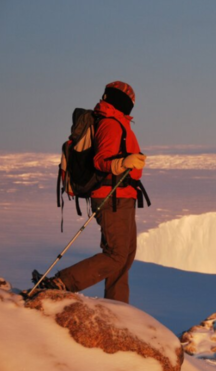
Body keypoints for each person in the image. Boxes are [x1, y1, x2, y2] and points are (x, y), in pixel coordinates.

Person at [40, 81, 146, 303]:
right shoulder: (111, 124)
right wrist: (125, 162)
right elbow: (101, 161)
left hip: (123, 196)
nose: (133, 103)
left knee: (124, 257)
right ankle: (64, 282)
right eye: (131, 99)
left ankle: (118, 308)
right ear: (123, 101)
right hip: (112, 196)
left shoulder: (118, 122)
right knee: (116, 255)